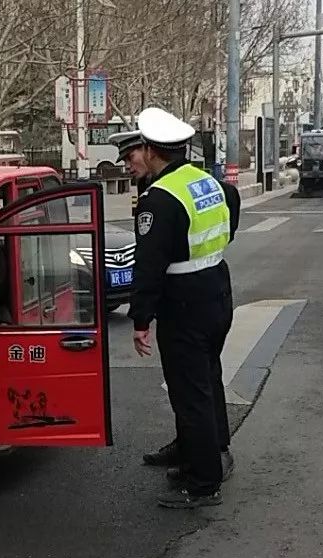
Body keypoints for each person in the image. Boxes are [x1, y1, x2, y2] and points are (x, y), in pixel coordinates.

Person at [113, 108, 241, 509]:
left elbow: (148, 266)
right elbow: (229, 224)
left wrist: (140, 319)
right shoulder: (209, 183)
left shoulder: (160, 199)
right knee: (207, 377)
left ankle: (203, 482)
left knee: (190, 392)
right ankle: (208, 450)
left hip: (183, 301)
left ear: (151, 151)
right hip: (216, 289)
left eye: (136, 153)